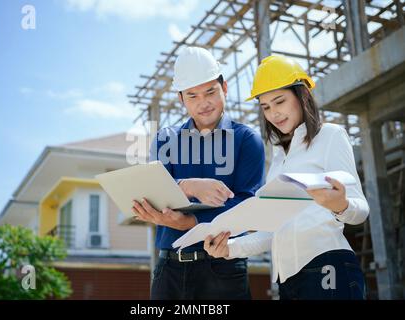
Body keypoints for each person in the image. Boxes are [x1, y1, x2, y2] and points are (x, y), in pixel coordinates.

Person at [204, 55, 369, 300]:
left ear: (301, 95)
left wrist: (340, 205)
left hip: (327, 265)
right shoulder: (279, 160)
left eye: (279, 101)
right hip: (288, 280)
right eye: (266, 107)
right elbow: (274, 232)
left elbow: (361, 210)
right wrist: (229, 248)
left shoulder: (330, 136)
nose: (274, 114)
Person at [132, 47, 265, 299]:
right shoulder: (165, 141)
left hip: (222, 270)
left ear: (224, 88)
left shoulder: (247, 140)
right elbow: (150, 191)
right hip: (169, 270)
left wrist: (190, 223)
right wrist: (188, 186)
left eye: (210, 92)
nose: (203, 103)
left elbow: (248, 206)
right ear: (181, 99)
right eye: (192, 96)